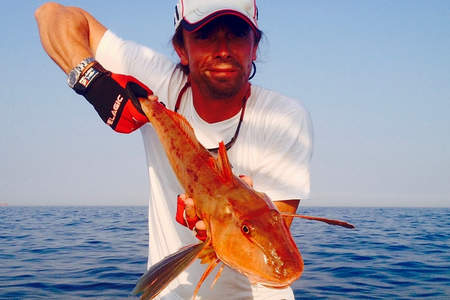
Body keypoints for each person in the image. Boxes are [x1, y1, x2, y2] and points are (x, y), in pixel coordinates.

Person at [35, 0, 313, 299]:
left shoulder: (284, 117)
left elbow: (271, 240)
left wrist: (215, 225)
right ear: (181, 48)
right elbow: (51, 14)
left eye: (236, 34)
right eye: (205, 35)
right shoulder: (157, 82)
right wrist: (92, 81)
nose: (223, 49)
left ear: (254, 47)